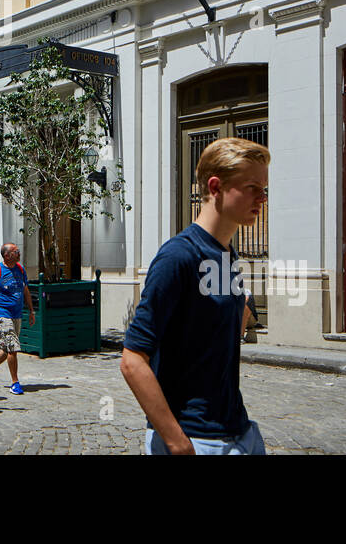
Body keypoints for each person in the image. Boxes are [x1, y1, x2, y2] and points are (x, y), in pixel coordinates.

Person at [120, 137, 269, 455]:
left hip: (239, 432)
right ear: (216, 187)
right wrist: (178, 443)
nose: (263, 198)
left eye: (264, 189)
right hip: (196, 439)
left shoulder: (227, 253)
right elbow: (133, 361)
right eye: (252, 188)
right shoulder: (178, 256)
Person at [0, 242, 36, 395]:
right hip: (2, 313)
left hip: (17, 313)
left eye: (18, 250)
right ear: (7, 255)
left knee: (6, 349)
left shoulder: (20, 269)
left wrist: (31, 311)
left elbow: (25, 290)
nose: (19, 253)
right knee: (12, 349)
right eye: (15, 251)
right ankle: (15, 382)